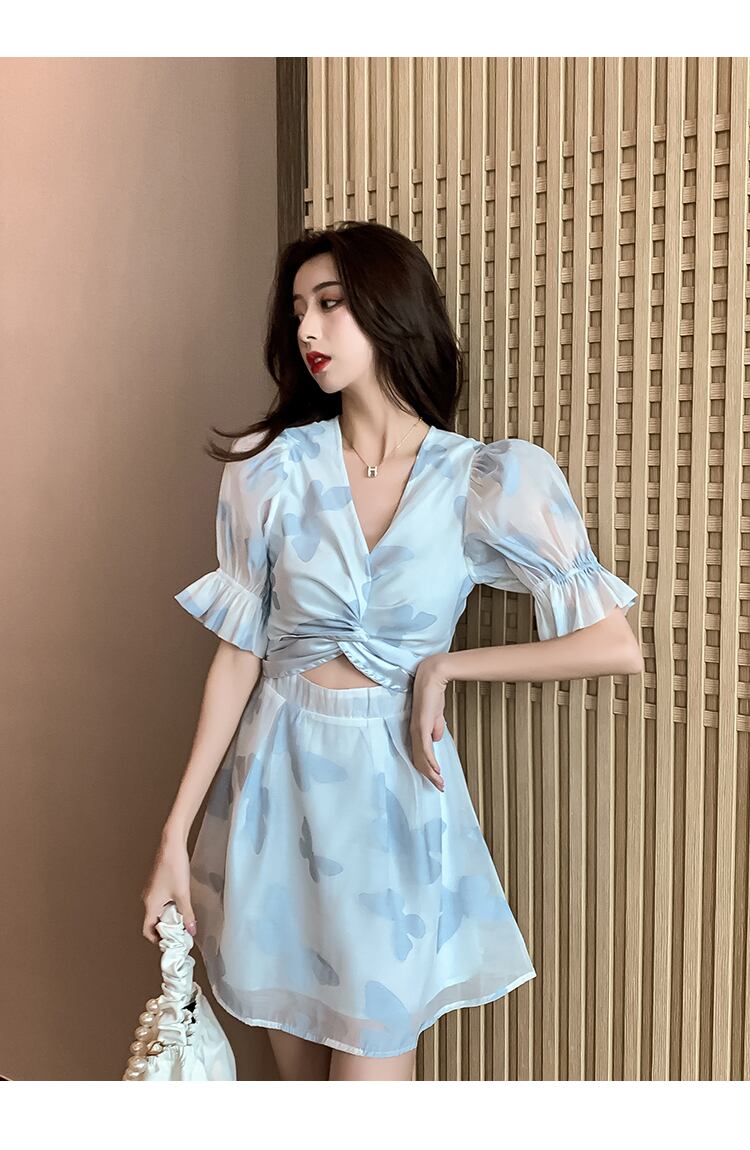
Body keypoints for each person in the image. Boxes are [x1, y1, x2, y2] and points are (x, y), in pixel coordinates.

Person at [141, 219, 641, 1082]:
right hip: (273, 793)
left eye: (330, 304)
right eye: (298, 310)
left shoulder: (484, 479)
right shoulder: (269, 467)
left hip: (393, 806)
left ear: (390, 310)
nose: (307, 328)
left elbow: (612, 643)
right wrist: (173, 836)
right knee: (301, 1096)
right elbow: (238, 656)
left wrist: (446, 666)